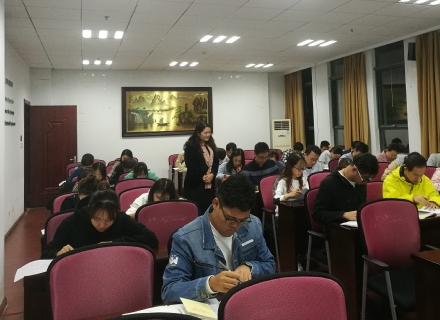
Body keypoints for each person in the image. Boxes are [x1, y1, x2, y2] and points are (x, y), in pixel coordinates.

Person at [162, 174, 275, 303]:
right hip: (210, 309)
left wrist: (250, 267)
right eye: (230, 219)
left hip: (245, 303)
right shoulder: (186, 238)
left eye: (242, 220)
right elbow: (170, 291)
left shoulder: (253, 224)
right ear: (216, 204)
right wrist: (210, 285)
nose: (235, 226)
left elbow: (269, 265)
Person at [42, 189, 158, 258]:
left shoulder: (120, 218)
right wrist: (58, 252)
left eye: (109, 220)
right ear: (90, 211)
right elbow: (46, 252)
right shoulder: (73, 222)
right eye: (97, 219)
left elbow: (151, 238)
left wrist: (115, 243)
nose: (102, 225)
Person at [313, 153, 378, 224]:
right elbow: (317, 214)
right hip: (337, 226)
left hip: (357, 224)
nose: (366, 182)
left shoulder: (360, 183)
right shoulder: (330, 183)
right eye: (365, 178)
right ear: (354, 170)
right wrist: (343, 215)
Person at [183, 122, 219, 213]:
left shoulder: (211, 145)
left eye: (209, 132)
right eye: (205, 133)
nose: (208, 135)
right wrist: (202, 176)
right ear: (198, 133)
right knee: (196, 210)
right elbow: (191, 165)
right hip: (195, 184)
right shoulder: (191, 146)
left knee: (208, 210)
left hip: (209, 184)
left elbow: (216, 163)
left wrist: (212, 174)